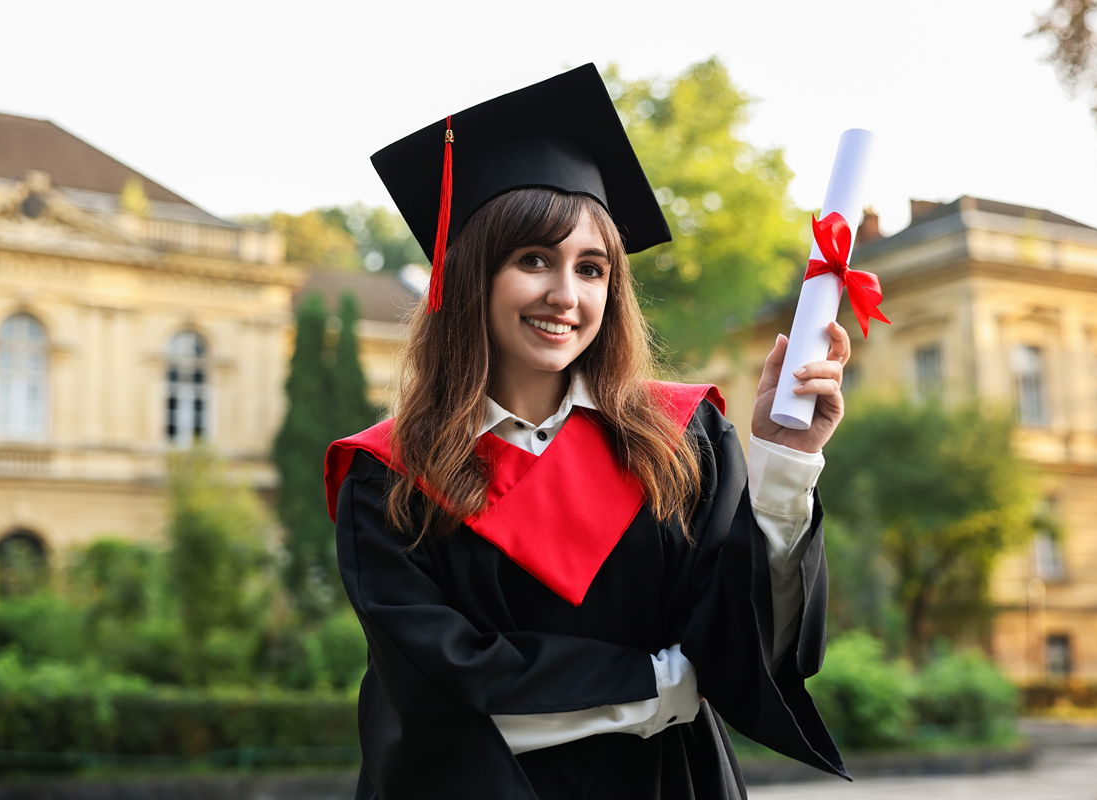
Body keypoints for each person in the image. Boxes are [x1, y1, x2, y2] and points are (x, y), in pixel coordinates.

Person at [324, 64, 850, 800]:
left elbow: (744, 641)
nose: (565, 296)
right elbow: (436, 690)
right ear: (471, 274)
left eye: (592, 268)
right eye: (533, 260)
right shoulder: (387, 476)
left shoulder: (680, 438)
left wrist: (786, 459)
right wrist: (661, 684)